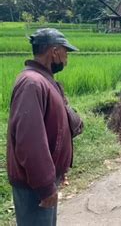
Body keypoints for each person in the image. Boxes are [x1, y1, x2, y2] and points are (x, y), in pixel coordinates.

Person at [6, 28, 83, 226]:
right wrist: (45, 185)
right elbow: (30, 141)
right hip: (34, 186)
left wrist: (58, 171)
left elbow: (52, 130)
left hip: (40, 181)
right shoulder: (32, 83)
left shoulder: (44, 81)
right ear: (54, 52)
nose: (66, 59)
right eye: (66, 53)